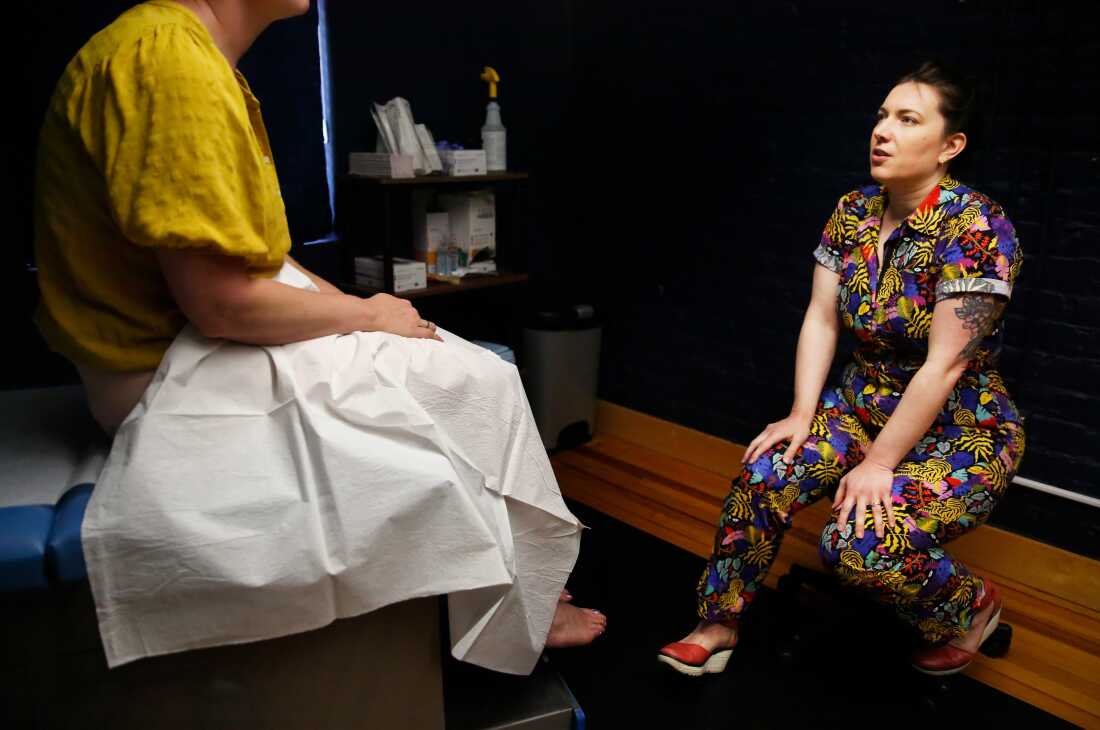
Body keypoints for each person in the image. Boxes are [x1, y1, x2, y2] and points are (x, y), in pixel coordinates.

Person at [34, 0, 604, 674]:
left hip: (185, 346)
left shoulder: (187, 53)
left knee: (450, 361)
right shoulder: (171, 61)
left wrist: (370, 311)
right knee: (479, 380)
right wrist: (368, 319)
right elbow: (220, 302)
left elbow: (260, 257)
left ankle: (517, 579)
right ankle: (522, 610)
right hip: (164, 379)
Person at [658, 61, 1024, 677]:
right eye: (882, 115)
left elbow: (943, 365)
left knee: (855, 548)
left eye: (908, 120)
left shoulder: (979, 227)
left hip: (959, 428)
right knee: (767, 472)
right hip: (858, 405)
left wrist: (879, 463)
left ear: (950, 146)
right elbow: (822, 318)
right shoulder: (853, 210)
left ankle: (969, 607)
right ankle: (717, 621)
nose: (882, 130)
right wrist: (804, 413)